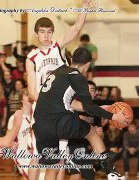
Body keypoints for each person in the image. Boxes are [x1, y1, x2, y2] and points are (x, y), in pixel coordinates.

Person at [33, 47, 128, 180]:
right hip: (59, 122)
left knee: (53, 166)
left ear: (72, 59)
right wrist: (114, 116)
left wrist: (103, 108)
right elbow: (89, 108)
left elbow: (70, 103)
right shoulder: (77, 77)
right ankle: (110, 172)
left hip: (40, 125)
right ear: (88, 64)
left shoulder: (57, 72)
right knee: (92, 132)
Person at [26, 1, 91, 179]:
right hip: (43, 109)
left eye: (49, 32)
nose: (46, 36)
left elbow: (77, 27)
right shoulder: (31, 58)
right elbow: (32, 90)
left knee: (59, 157)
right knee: (37, 155)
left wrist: (84, 5)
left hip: (62, 109)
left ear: (52, 33)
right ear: (36, 34)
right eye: (42, 32)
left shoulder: (57, 47)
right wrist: (47, 105)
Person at [6, 88, 33, 179]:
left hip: (37, 155)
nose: (29, 96)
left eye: (30, 94)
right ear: (21, 99)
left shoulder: (38, 116)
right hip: (22, 156)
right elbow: (7, 139)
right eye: (26, 95)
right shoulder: (15, 117)